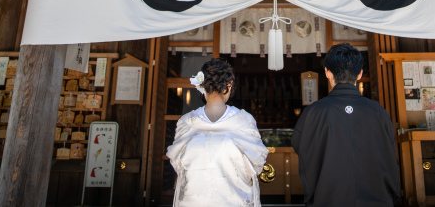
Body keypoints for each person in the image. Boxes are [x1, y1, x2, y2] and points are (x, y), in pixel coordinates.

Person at [292, 43, 400, 206]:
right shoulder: (378, 112)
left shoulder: (314, 112)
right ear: (360, 74)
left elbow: (299, 144)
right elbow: (389, 151)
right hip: (378, 200)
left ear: (327, 72)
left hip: (328, 199)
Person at [166, 58, 269, 207]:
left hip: (193, 201)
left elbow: (178, 164)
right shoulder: (244, 121)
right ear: (229, 85)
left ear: (201, 85)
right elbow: (257, 163)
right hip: (234, 201)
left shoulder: (186, 122)